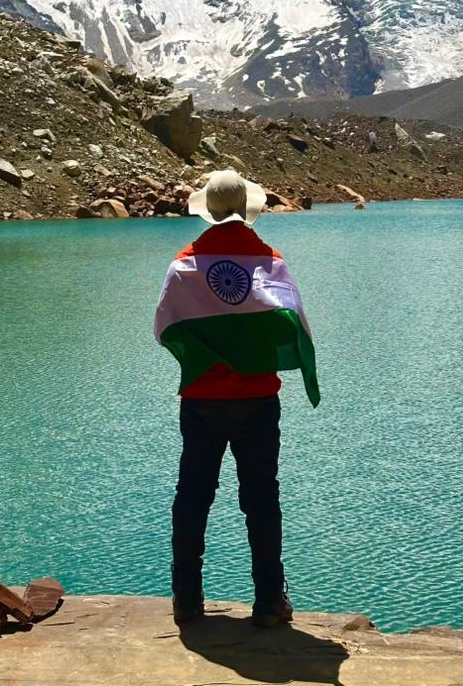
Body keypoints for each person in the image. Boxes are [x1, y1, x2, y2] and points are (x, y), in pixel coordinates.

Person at [154, 168, 320, 628]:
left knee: (192, 496)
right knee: (262, 498)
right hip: (258, 400)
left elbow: (166, 326)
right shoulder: (271, 260)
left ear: (207, 211)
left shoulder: (184, 262)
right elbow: (293, 322)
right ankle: (269, 602)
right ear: (249, 210)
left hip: (202, 400)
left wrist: (204, 356)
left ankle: (187, 600)